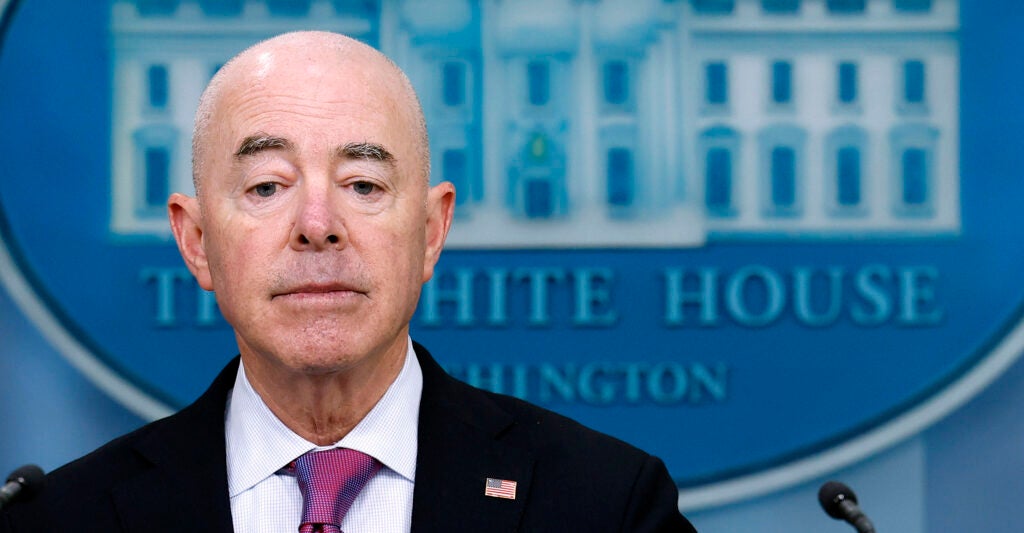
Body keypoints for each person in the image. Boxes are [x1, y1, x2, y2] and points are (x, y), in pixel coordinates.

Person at [0, 31, 697, 532]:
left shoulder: (605, 505)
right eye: (268, 185)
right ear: (197, 241)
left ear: (430, 231)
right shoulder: (62, 517)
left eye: (363, 183)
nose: (317, 223)